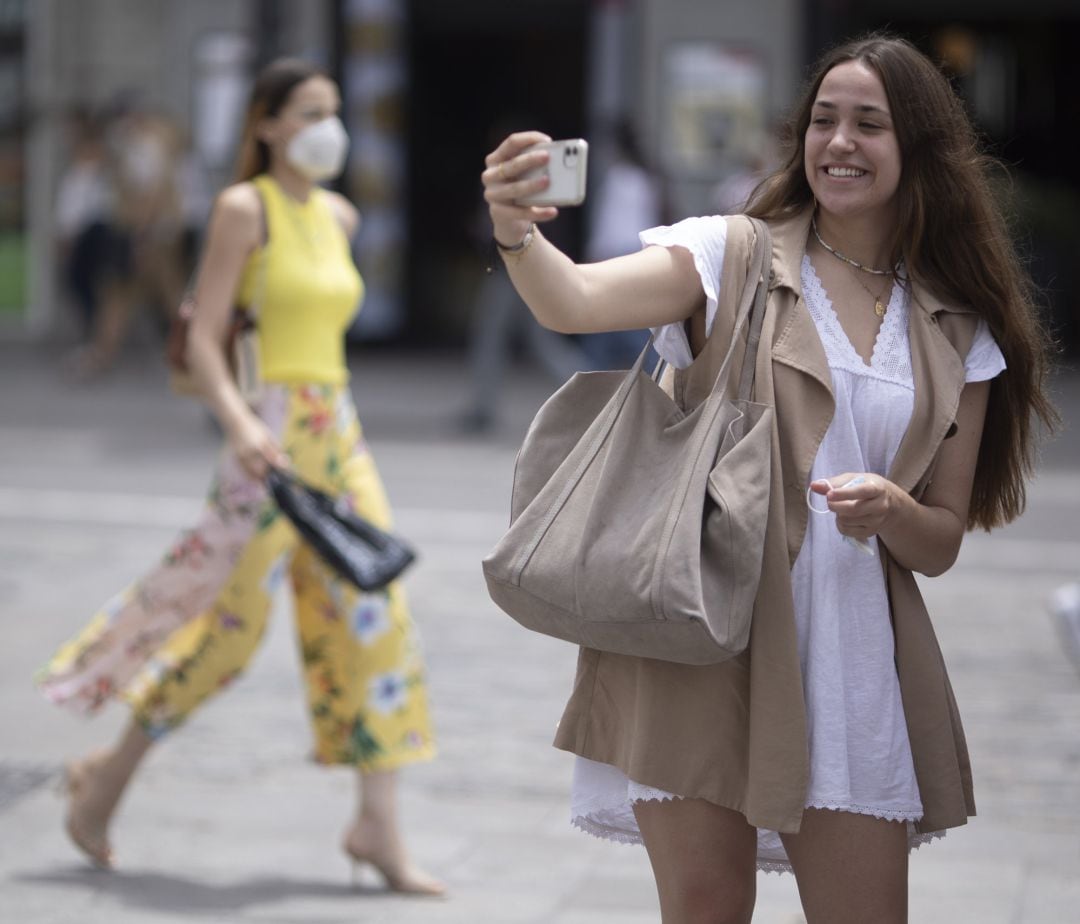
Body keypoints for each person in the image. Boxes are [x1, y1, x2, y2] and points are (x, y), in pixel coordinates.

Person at [481, 34, 1056, 923]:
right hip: (703, 631)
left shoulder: (955, 322)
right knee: (706, 909)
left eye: (870, 124)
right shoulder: (730, 253)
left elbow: (940, 540)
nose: (839, 142)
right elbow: (578, 301)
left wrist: (895, 510)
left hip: (852, 651)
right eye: (824, 120)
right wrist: (517, 233)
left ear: (919, 150)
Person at [36, 58, 443, 896]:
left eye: (335, 110)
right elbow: (207, 339)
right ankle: (104, 779)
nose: (328, 126)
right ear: (267, 125)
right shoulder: (239, 209)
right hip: (267, 438)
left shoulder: (338, 213)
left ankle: (377, 823)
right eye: (309, 112)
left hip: (339, 433)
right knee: (229, 630)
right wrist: (243, 425)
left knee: (377, 614)